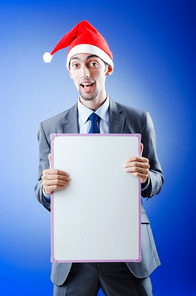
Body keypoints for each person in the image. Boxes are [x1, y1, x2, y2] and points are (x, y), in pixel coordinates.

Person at [35, 20, 164, 296]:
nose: (86, 72)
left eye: (93, 63)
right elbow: (40, 189)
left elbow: (157, 179)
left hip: (126, 251)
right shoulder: (50, 128)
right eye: (76, 64)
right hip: (74, 254)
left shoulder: (139, 120)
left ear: (108, 67)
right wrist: (47, 188)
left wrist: (145, 178)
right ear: (70, 72)